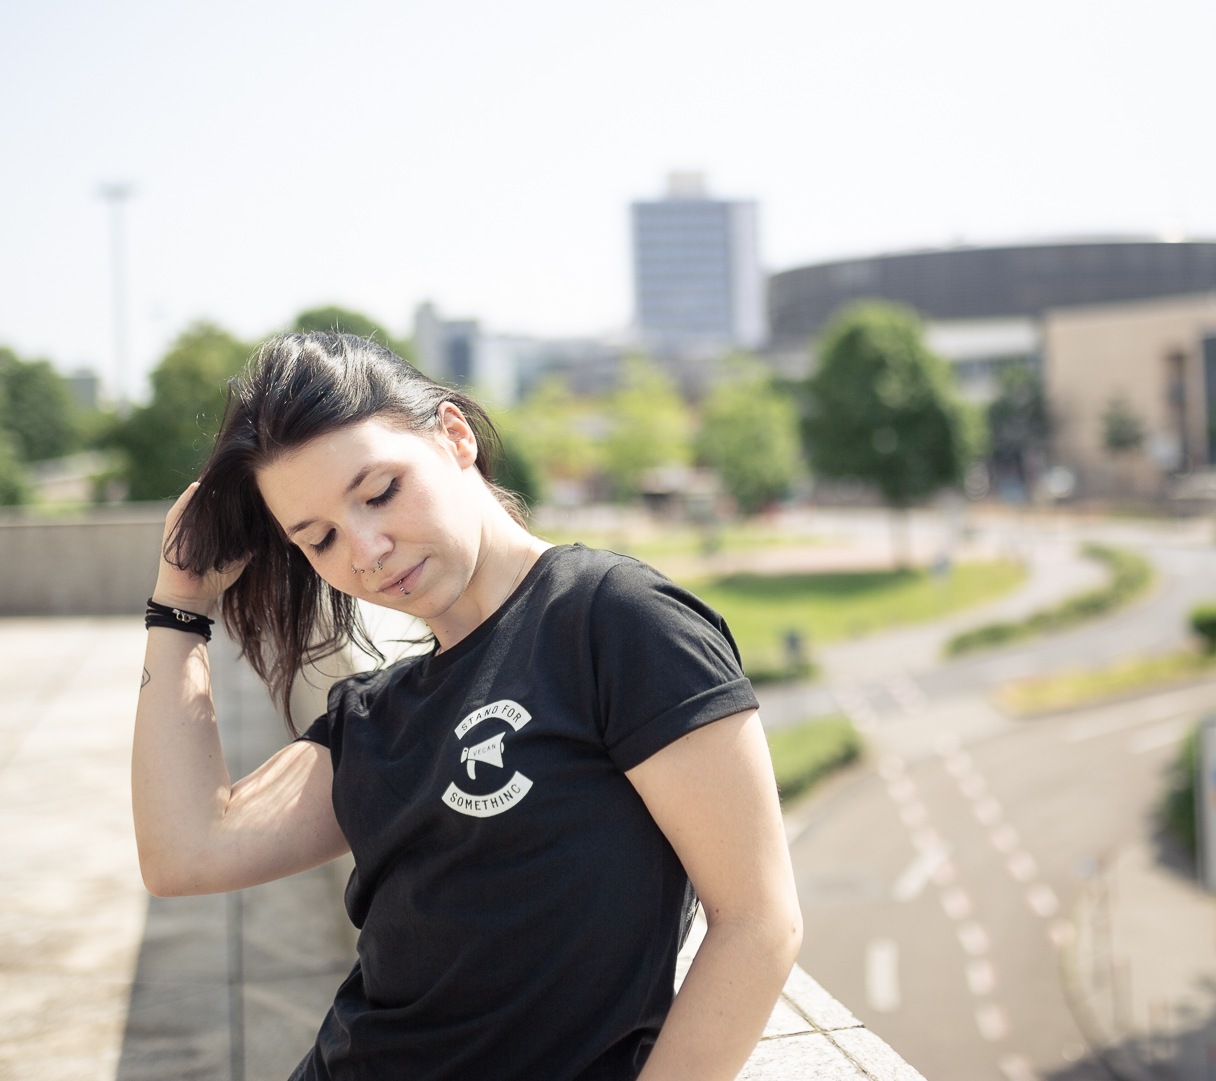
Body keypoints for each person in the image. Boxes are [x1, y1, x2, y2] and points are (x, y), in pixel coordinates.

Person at [131, 331, 800, 1081]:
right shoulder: (373, 716)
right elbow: (185, 852)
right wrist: (179, 606)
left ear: (454, 436)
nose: (364, 550)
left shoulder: (614, 621)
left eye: (380, 492)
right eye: (318, 539)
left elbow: (757, 923)